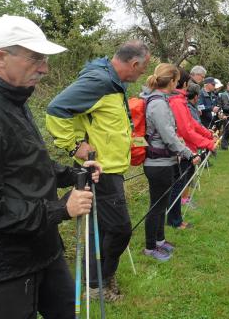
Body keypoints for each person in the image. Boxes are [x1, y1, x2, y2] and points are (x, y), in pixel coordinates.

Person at [0, 15, 100, 318]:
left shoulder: (12, 98)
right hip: (5, 260)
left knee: (65, 310)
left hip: (41, 245)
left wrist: (73, 173)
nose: (44, 68)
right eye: (35, 58)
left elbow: (26, 160)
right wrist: (60, 210)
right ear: (0, 57)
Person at [46, 40, 151, 301]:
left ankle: (96, 284)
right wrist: (73, 146)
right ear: (134, 63)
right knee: (120, 229)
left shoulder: (114, 83)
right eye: (143, 69)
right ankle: (102, 279)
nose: (142, 75)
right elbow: (57, 109)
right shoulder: (100, 81)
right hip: (99, 171)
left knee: (101, 229)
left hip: (110, 169)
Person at [140, 64, 200, 260]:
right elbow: (168, 136)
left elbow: (169, 133)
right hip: (158, 164)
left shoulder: (161, 100)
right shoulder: (158, 103)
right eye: (178, 80)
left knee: (162, 204)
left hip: (165, 161)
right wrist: (189, 153)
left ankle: (160, 241)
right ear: (172, 81)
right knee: (156, 206)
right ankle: (150, 247)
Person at [167, 69, 216, 230]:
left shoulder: (180, 100)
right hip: (182, 150)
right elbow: (185, 130)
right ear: (185, 83)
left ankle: (175, 218)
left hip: (187, 149)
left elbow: (192, 124)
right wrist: (207, 143)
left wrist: (207, 134)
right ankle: (174, 221)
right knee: (178, 186)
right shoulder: (176, 101)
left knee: (181, 183)